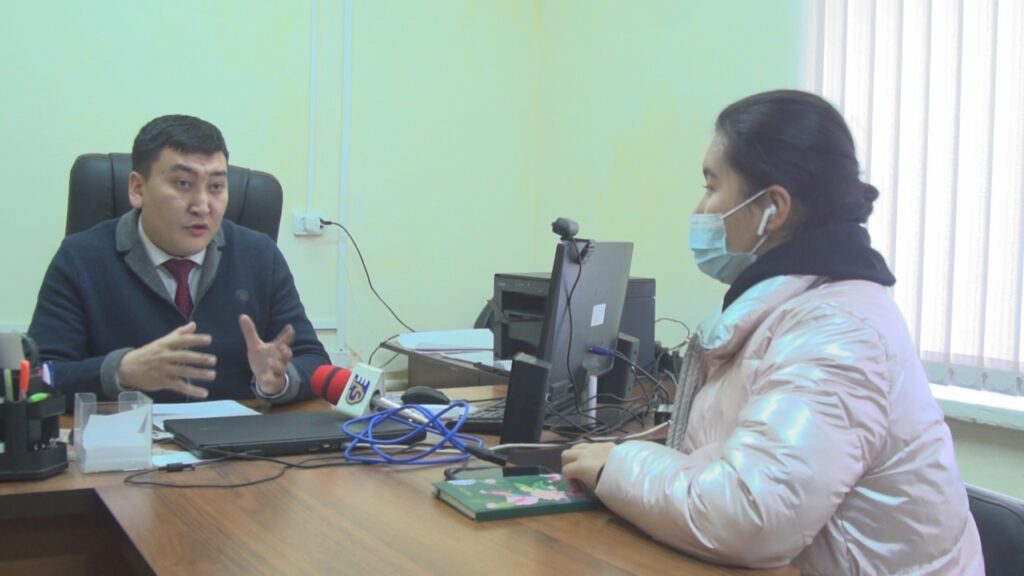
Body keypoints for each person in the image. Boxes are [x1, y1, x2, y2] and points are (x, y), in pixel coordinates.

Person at [561, 90, 984, 574]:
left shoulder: (838, 334)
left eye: (711, 186)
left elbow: (752, 516)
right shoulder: (796, 309)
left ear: (773, 209)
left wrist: (618, 467)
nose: (700, 208)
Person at [29, 114, 330, 406]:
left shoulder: (260, 256)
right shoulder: (80, 258)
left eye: (216, 186)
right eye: (183, 183)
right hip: (126, 437)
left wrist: (279, 381)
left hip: (234, 438)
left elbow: (314, 360)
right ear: (137, 189)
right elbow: (40, 377)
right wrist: (121, 370)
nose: (202, 206)